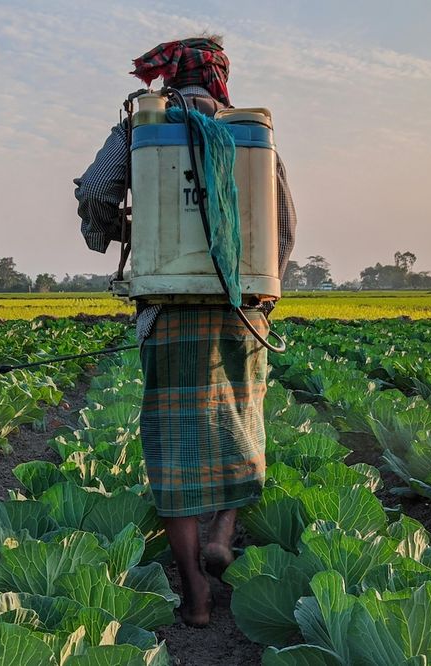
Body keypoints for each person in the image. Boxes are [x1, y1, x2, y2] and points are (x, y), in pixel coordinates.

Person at [73, 35, 296, 627]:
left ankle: (195, 594)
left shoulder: (138, 129)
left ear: (168, 79)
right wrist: (260, 286)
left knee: (174, 452)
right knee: (240, 427)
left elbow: (96, 190)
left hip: (166, 311)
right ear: (220, 77)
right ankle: (222, 533)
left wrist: (119, 234)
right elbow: (283, 226)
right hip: (241, 308)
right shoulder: (252, 134)